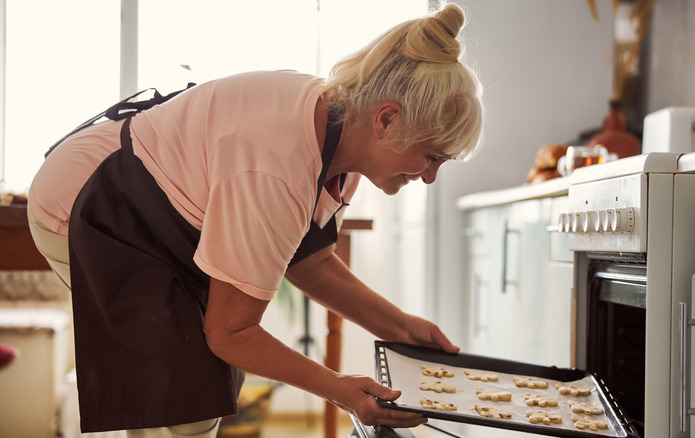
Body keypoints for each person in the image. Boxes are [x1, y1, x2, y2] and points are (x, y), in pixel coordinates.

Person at [27, 3, 484, 437]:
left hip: (157, 215)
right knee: (183, 407)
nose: (429, 177)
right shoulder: (277, 161)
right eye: (430, 156)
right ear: (387, 120)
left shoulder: (343, 135)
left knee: (193, 404)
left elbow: (310, 261)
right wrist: (340, 389)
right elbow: (231, 333)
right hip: (96, 205)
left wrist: (402, 329)